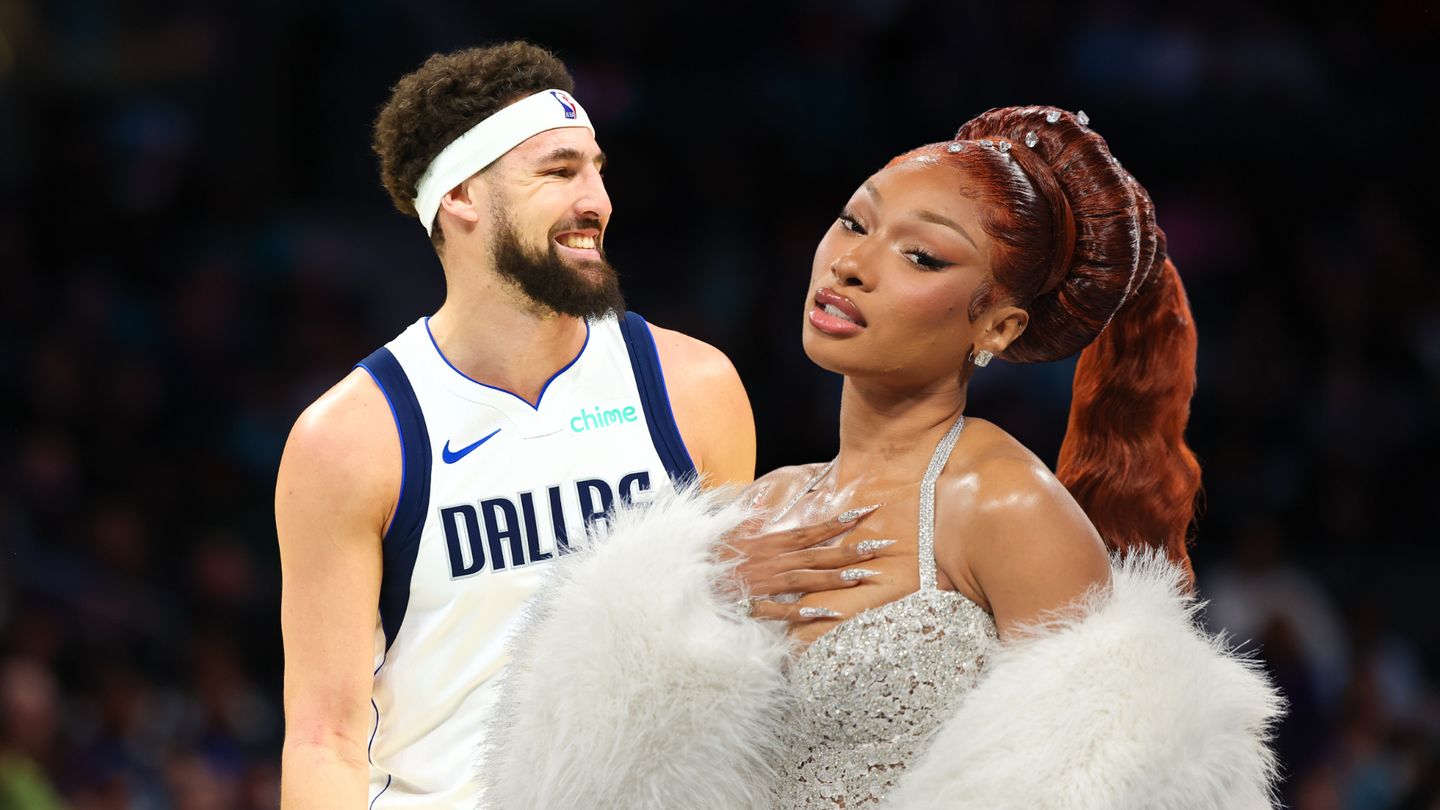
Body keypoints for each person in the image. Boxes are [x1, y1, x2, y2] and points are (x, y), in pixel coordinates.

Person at [484, 106, 1284, 809]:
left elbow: (1116, 774)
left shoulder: (1000, 502)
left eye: (922, 256)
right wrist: (678, 606)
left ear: (998, 327)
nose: (850, 263)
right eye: (854, 222)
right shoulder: (761, 505)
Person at [273, 42, 868, 809]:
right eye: (559, 172)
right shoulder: (352, 438)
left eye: (597, 169)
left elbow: (743, 656)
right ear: (461, 196)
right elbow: (324, 737)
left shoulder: (691, 388)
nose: (598, 201)